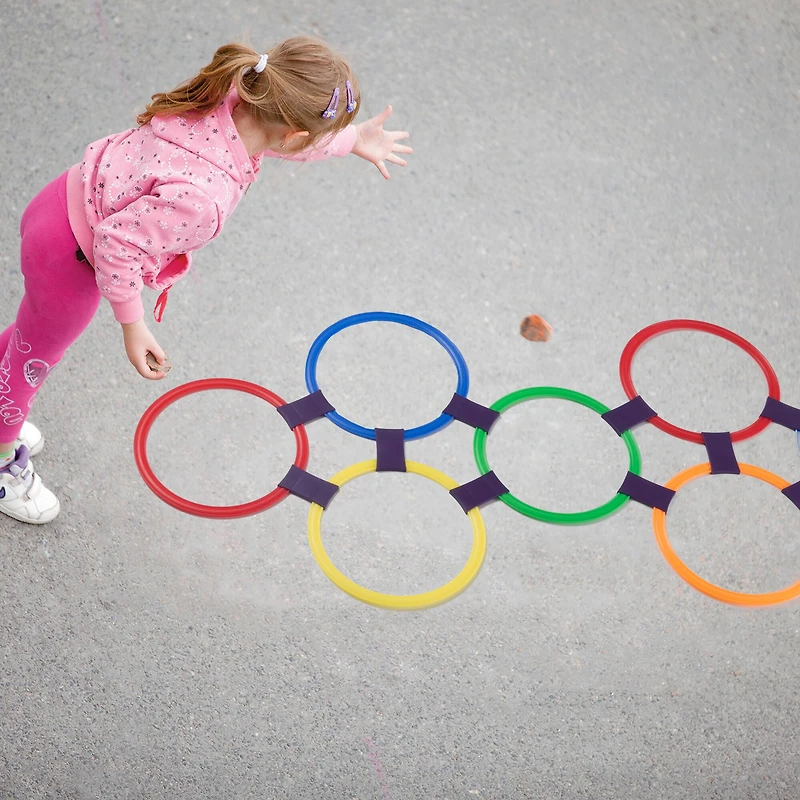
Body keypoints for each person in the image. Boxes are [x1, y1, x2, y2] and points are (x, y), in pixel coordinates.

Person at [0, 36, 412, 525]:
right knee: (33, 362)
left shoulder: (235, 93)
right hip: (71, 259)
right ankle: (5, 462)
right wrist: (133, 325)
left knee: (28, 339)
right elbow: (117, 246)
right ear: (295, 135)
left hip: (61, 202)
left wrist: (350, 140)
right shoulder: (203, 197)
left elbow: (288, 139)